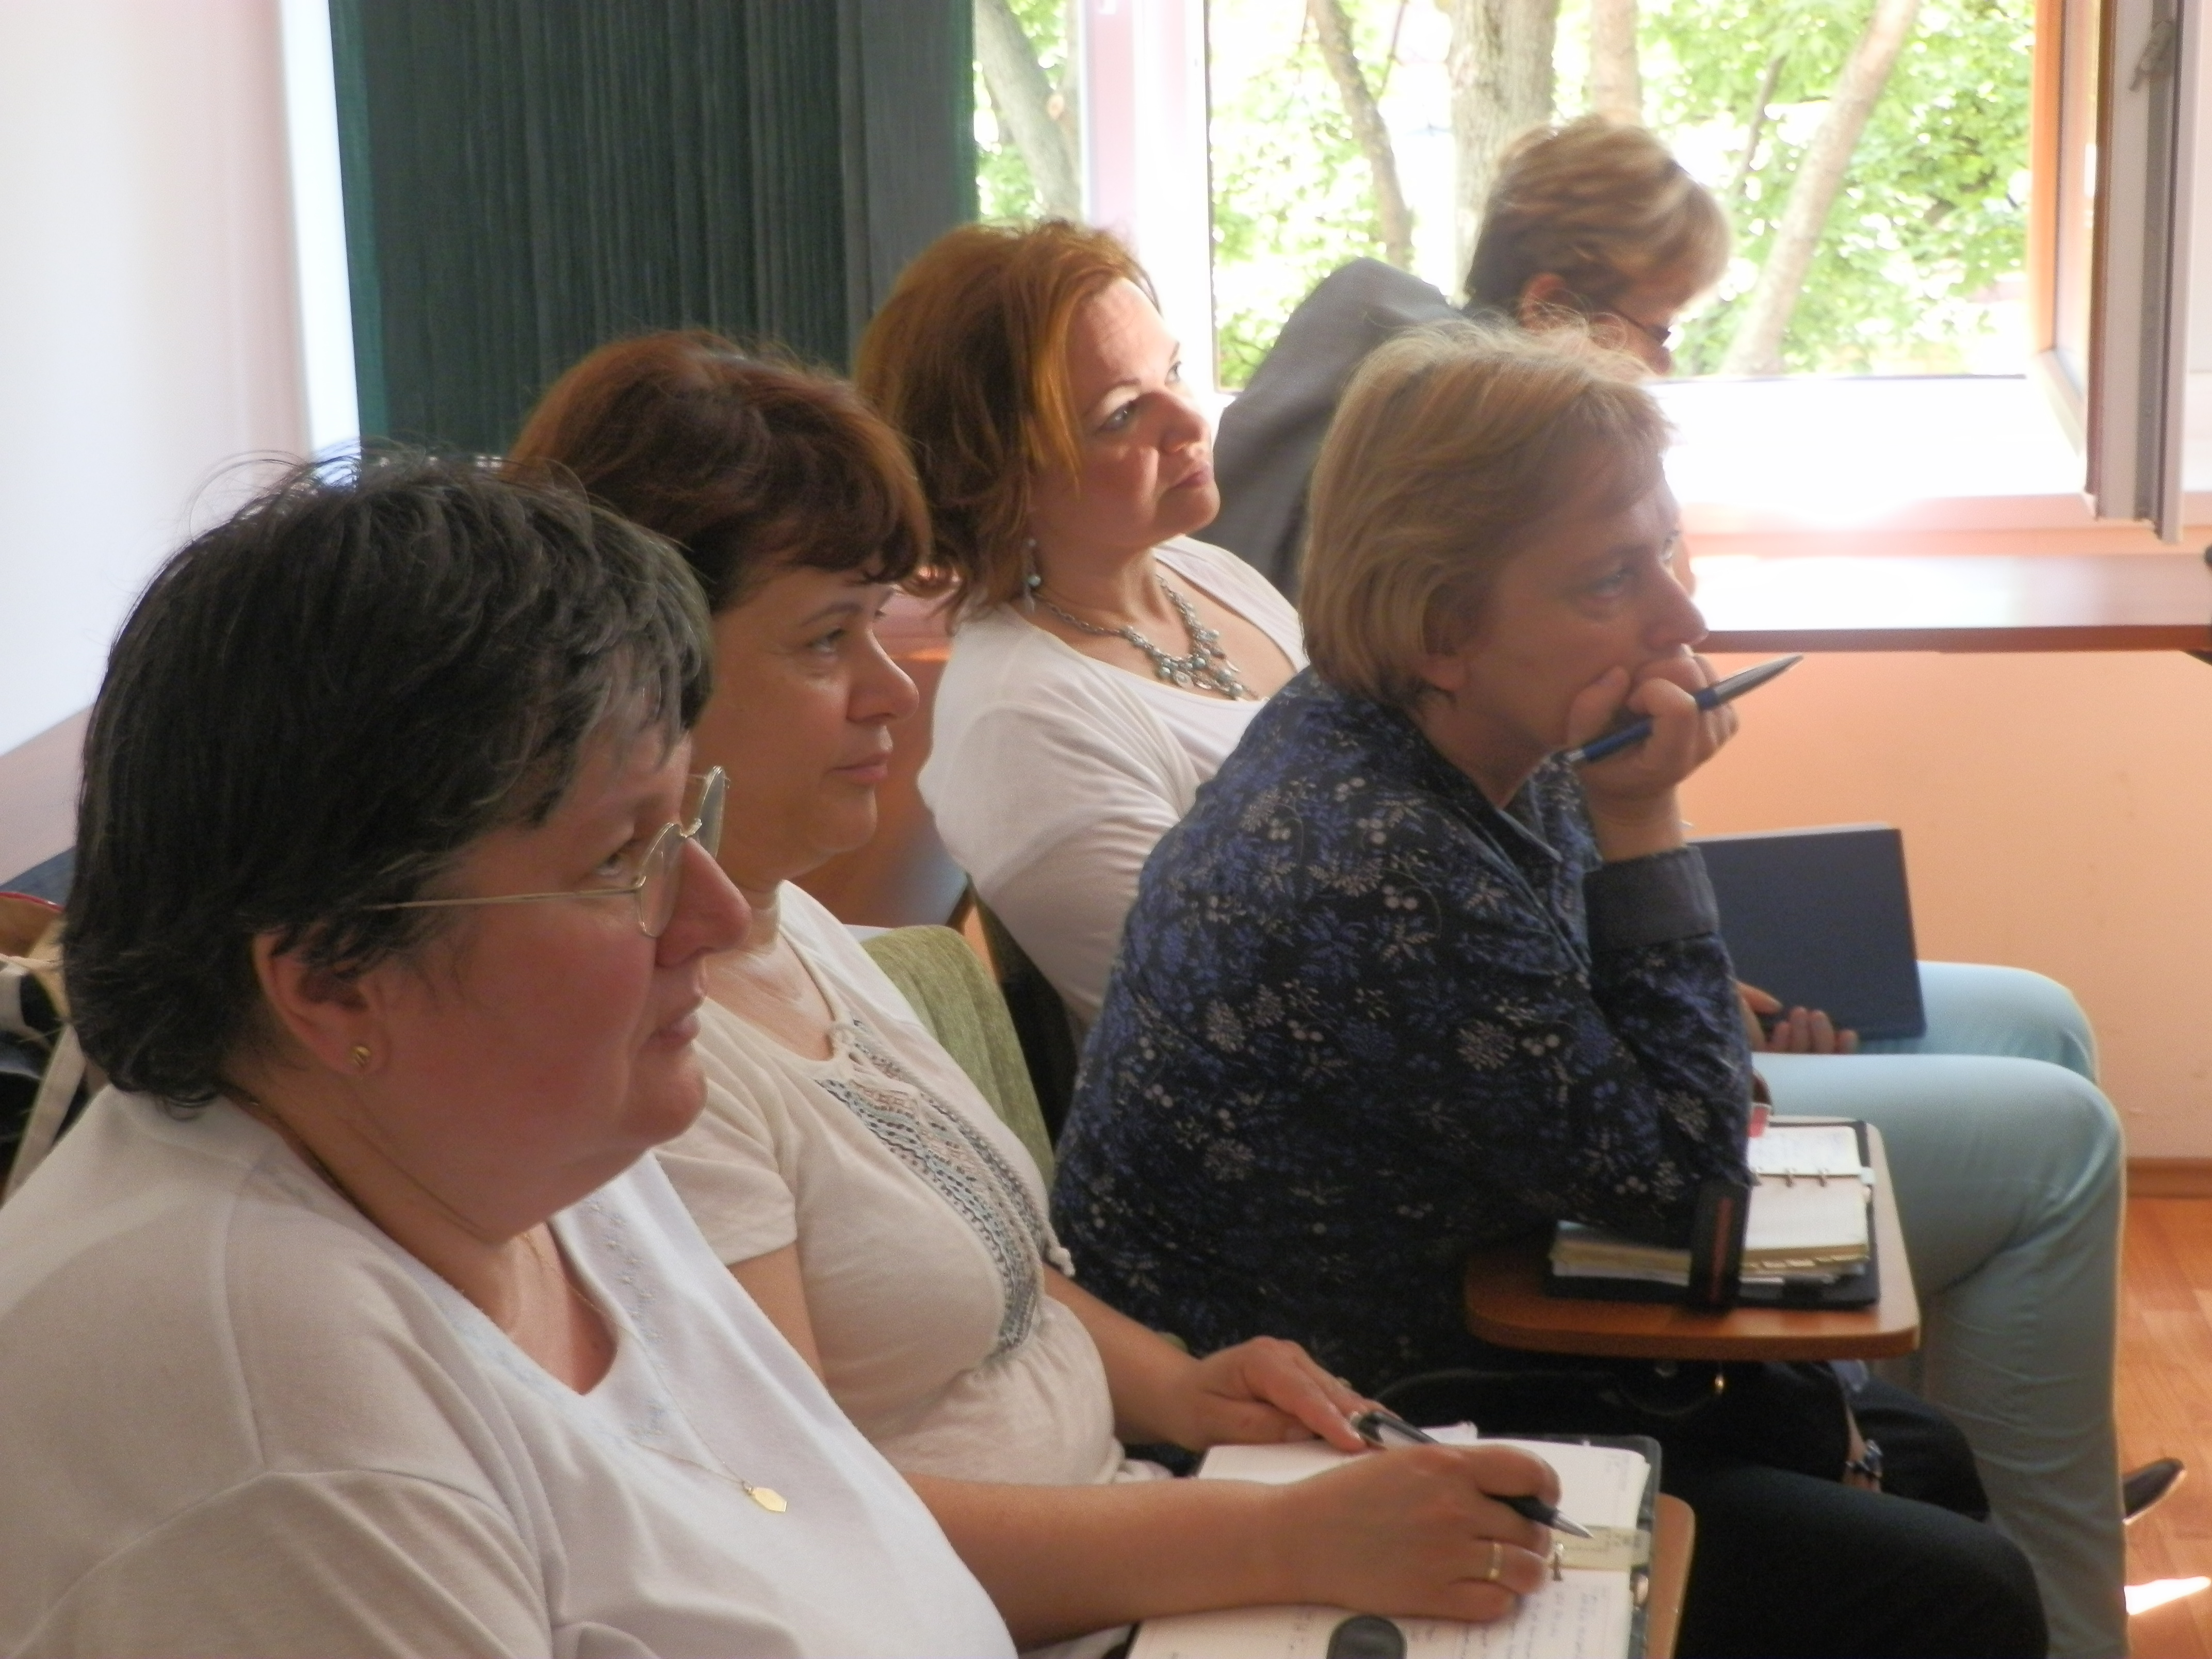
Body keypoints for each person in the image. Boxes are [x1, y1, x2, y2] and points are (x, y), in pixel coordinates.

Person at [1052, 325, 2121, 1658]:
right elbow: (1684, 1184)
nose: (1683, 621)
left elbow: (1595, 1040)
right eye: (1614, 578)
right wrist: (1648, 815)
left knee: (1919, 1456)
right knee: (1958, 1585)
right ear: (1441, 628)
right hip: (1326, 1433)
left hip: (1448, 1335)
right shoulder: (1373, 859)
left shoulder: (1445, 737)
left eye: (1666, 551)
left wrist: (1663, 940)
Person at [509, 331, 1567, 1655]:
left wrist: (1186, 1391)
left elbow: (994, 1280)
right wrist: (1275, 1540)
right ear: (650, 683)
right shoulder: (658, 1064)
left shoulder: (808, 934)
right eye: (828, 640)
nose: (889, 690)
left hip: (1140, 1542)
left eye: (879, 624)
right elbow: (809, 1523)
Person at [0, 455, 1017, 1656]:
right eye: (618, 860)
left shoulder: (508, 1141)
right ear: (333, 977)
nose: (710, 915)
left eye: (683, 823)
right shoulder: (279, 1443)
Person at [857, 220, 1305, 1028]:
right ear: (999, 475)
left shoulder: (1206, 572)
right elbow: (1225, 1016)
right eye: (1122, 414)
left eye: (1174, 372)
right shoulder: (1020, 722)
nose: (1189, 421)